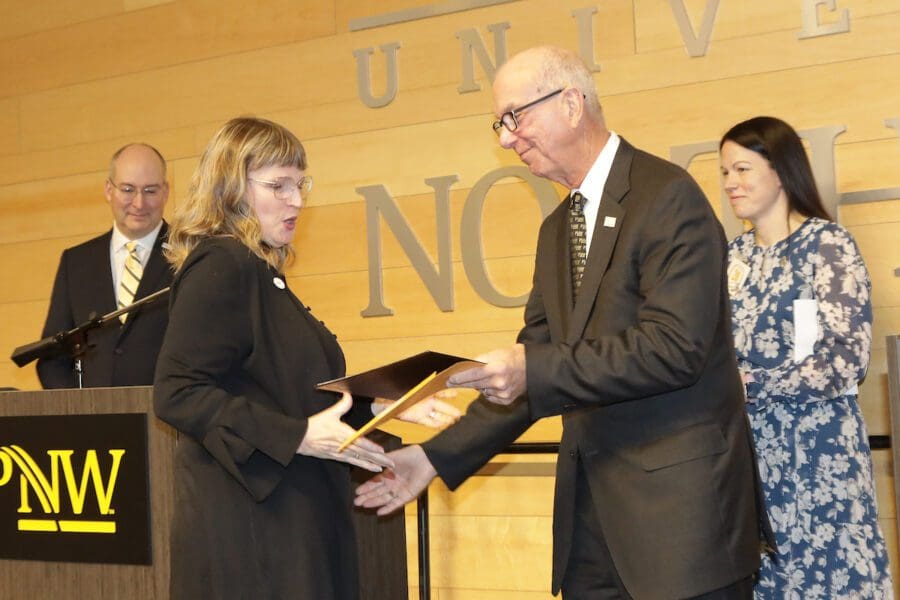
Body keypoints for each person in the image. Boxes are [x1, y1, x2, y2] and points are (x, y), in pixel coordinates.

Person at [357, 46, 768, 599]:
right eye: (499, 124)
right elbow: (538, 370)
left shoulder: (668, 197)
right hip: (592, 529)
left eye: (515, 117)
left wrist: (531, 367)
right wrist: (434, 457)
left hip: (680, 526)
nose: (506, 138)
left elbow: (674, 348)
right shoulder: (557, 228)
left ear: (572, 103)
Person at [152, 116, 460, 600]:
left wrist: (385, 403)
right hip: (253, 533)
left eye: (301, 184)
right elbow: (177, 394)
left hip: (292, 519)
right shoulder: (221, 265)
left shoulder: (261, 273)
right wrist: (296, 436)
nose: (297, 200)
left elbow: (294, 393)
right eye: (278, 185)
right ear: (231, 189)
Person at [720, 116, 892, 598]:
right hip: (749, 463)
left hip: (819, 459)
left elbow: (847, 358)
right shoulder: (730, 258)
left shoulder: (827, 246)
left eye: (743, 169)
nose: (731, 183)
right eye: (725, 172)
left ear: (781, 170)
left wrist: (753, 382)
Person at [37, 143, 173, 388]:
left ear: (166, 191)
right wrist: (78, 415)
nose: (139, 203)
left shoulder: (190, 255)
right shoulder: (76, 262)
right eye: (128, 189)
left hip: (169, 421)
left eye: (150, 191)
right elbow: (52, 358)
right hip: (93, 422)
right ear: (109, 190)